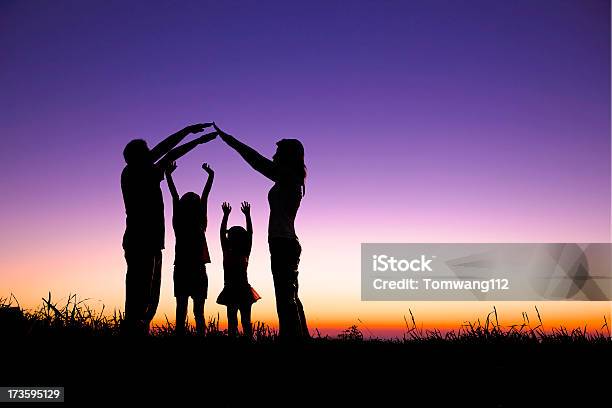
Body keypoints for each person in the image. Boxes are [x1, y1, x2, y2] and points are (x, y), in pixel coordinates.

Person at [214, 123, 308, 339]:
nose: (273, 155)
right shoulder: (290, 178)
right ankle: (300, 336)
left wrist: (231, 140)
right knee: (291, 294)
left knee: (285, 296)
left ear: (286, 156)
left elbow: (256, 161)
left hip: (283, 243)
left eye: (277, 152)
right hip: (285, 242)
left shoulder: (288, 177)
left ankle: (290, 337)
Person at [121, 124, 216, 335]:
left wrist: (189, 134)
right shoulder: (136, 173)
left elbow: (166, 152)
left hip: (151, 242)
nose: (152, 156)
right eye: (147, 154)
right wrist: (191, 136)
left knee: (148, 293)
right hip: (141, 241)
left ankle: (138, 328)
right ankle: (133, 330)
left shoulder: (140, 171)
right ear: (140, 157)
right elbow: (168, 151)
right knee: (140, 291)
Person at [166, 162, 214, 336]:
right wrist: (210, 176)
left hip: (183, 269)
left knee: (182, 309)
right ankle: (198, 336)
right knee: (197, 312)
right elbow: (204, 196)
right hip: (197, 270)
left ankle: (181, 335)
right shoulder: (200, 224)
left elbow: (174, 196)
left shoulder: (179, 224)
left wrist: (169, 175)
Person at [217, 201, 261, 338]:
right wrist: (226, 216)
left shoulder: (243, 251)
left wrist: (247, 216)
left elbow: (250, 234)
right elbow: (222, 233)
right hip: (233, 289)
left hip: (241, 289)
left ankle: (245, 339)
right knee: (235, 321)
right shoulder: (230, 250)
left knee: (244, 321)